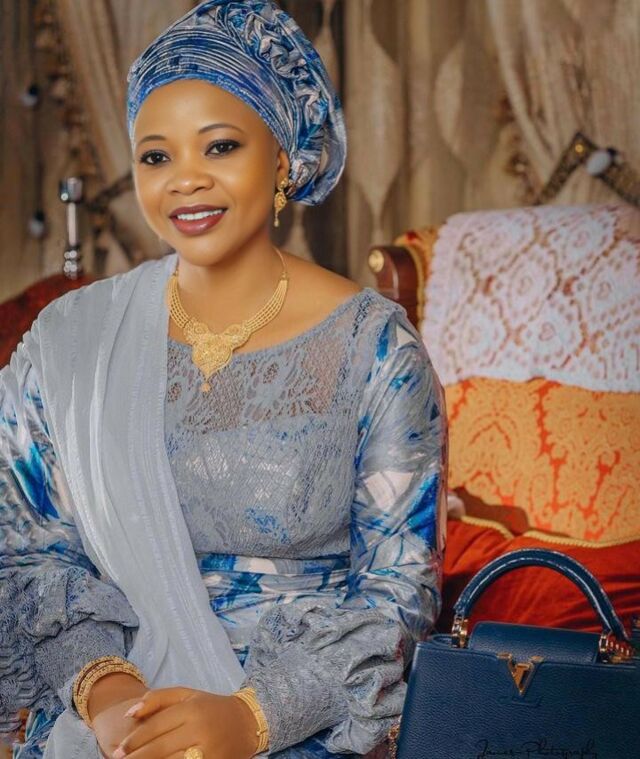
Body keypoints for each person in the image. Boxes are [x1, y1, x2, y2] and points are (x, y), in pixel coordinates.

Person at [0, 1, 447, 757]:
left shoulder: (375, 350)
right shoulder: (72, 344)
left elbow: (397, 592)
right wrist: (112, 697)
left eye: (221, 146)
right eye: (156, 157)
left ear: (283, 159)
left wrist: (251, 718)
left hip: (304, 716)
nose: (186, 181)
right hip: (110, 711)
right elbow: (29, 545)